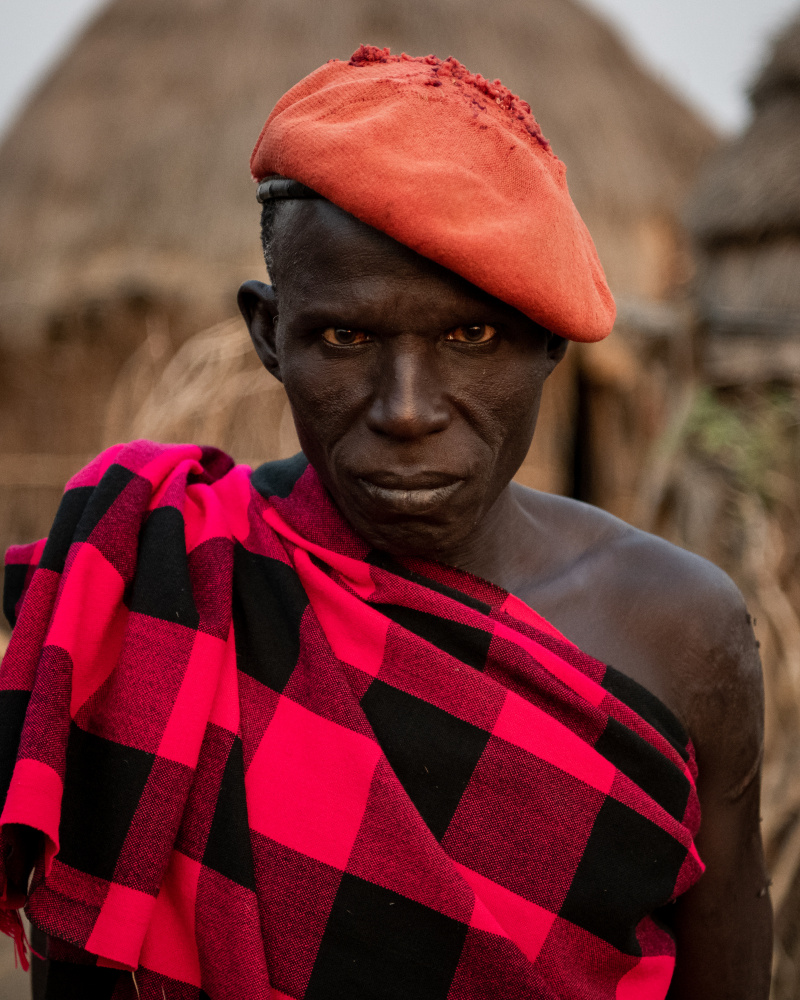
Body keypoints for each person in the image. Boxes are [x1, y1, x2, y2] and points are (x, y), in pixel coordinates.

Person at [0, 46, 770, 999]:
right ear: (268, 336)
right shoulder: (154, 581)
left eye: (472, 336)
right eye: (346, 338)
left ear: (550, 341)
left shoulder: (683, 633)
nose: (407, 408)